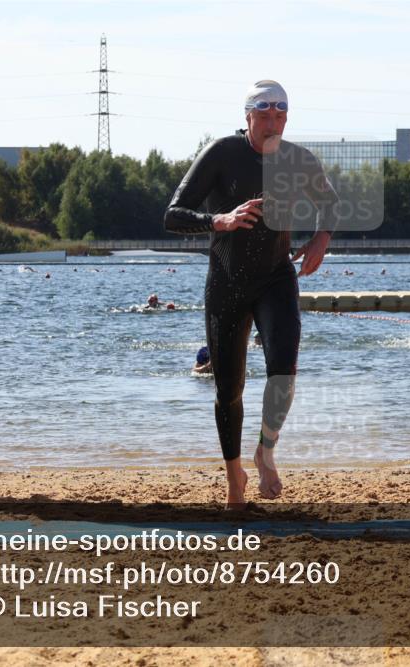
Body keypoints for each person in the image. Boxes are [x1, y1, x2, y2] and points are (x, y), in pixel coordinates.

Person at [163, 79, 338, 507]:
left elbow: (330, 203)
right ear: (248, 117)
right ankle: (233, 477)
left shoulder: (298, 160)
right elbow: (172, 215)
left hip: (276, 277)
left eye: (280, 115)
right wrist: (217, 221)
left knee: (284, 370)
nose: (273, 123)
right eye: (265, 115)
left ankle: (266, 451)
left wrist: (319, 241)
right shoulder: (223, 153)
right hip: (226, 283)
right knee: (229, 389)